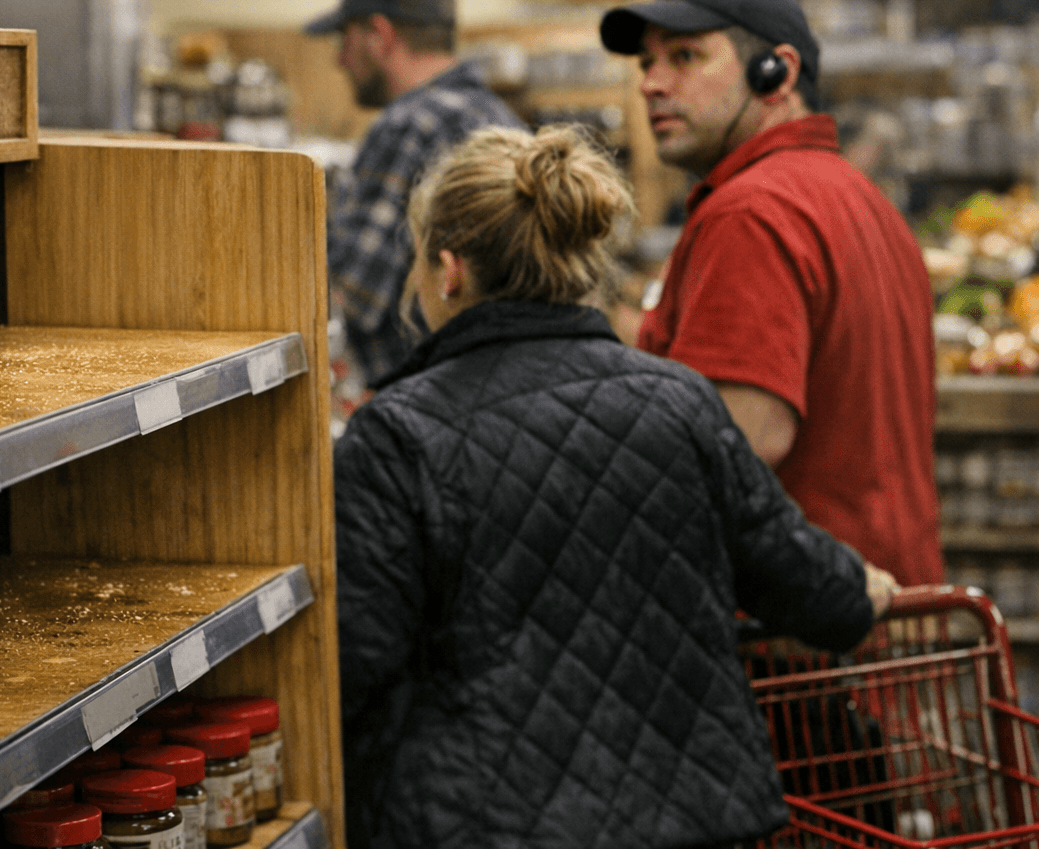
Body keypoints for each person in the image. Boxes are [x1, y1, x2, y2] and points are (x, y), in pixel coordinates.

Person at [335, 125, 894, 849]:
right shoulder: (681, 401)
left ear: (448, 271)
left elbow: (354, 666)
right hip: (693, 816)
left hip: (483, 823)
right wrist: (857, 589)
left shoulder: (395, 437)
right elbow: (786, 572)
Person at [598, 0, 942, 587]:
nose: (651, 83)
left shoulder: (752, 211)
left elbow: (745, 439)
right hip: (895, 616)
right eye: (647, 64)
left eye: (685, 56)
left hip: (804, 642)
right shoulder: (861, 199)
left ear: (775, 73)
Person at [307, 0, 523, 384]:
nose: (340, 60)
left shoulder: (407, 126)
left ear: (380, 36)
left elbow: (354, 295)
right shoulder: (501, 117)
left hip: (427, 393)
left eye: (344, 39)